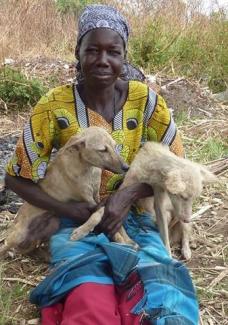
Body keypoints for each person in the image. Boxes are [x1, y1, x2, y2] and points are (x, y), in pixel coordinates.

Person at [5, 4, 199, 325]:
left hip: (135, 217)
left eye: (113, 51)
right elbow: (16, 179)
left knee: (163, 297)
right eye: (92, 50)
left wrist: (126, 196)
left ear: (124, 55)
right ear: (77, 52)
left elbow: (179, 170)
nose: (103, 60)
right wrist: (70, 211)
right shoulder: (54, 105)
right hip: (76, 219)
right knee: (88, 297)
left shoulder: (146, 101)